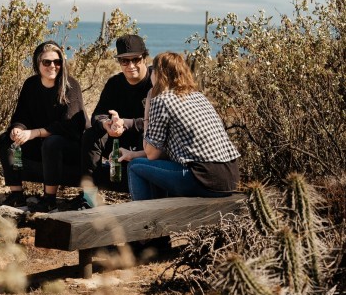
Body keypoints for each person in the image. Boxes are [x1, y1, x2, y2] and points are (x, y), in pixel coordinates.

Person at [128, 51, 240, 200]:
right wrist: (133, 154)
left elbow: (151, 154)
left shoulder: (163, 100)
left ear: (158, 74)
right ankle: (158, 215)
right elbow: (168, 152)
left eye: (152, 70)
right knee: (152, 165)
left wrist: (149, 104)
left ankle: (144, 220)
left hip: (203, 178)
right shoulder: (198, 96)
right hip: (231, 177)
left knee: (135, 167)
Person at [0, 40, 88, 212]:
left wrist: (35, 133)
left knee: (52, 142)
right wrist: (18, 128)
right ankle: (17, 197)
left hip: (70, 148)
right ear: (37, 64)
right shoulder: (30, 85)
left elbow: (69, 126)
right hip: (39, 145)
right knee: (5, 139)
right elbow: (21, 115)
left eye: (57, 62)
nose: (52, 66)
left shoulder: (70, 86)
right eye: (47, 62)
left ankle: (49, 200)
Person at [81, 34, 152, 190]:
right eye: (124, 61)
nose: (131, 65)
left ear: (145, 58)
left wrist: (126, 123)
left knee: (148, 137)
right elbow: (98, 115)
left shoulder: (156, 80)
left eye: (136, 59)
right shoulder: (114, 83)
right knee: (91, 135)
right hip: (118, 140)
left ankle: (146, 197)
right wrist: (107, 125)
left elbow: (160, 120)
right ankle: (90, 195)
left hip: (146, 142)